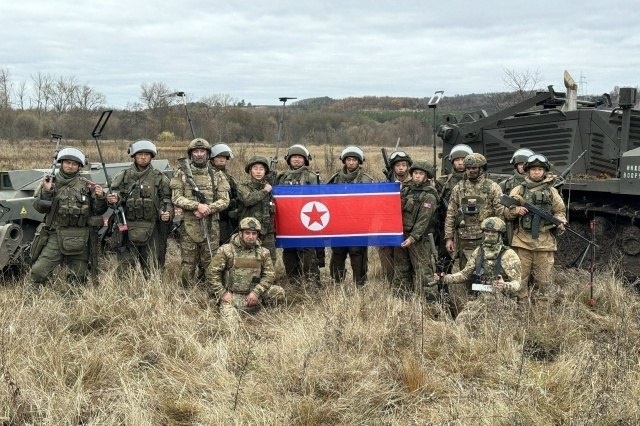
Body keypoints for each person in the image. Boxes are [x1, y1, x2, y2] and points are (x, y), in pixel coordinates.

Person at [30, 147, 107, 288]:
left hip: (80, 236)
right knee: (39, 271)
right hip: (55, 233)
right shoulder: (49, 182)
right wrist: (46, 191)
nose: (70, 166)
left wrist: (101, 197)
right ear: (61, 163)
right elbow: (39, 208)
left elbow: (98, 210)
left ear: (79, 166)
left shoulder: (86, 185)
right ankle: (33, 295)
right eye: (67, 163)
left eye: (74, 164)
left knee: (79, 276)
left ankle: (73, 297)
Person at [503, 154, 567, 302]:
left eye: (539, 169)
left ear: (544, 171)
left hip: (544, 243)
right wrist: (516, 210)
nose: (536, 172)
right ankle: (521, 308)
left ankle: (541, 311)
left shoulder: (552, 191)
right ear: (527, 171)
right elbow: (506, 212)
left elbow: (560, 211)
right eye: (533, 169)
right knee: (520, 280)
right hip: (522, 242)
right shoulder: (519, 190)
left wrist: (561, 222)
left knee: (544, 281)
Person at [106, 139, 172, 277]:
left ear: (151, 156)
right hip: (127, 226)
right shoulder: (123, 175)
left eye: (146, 154)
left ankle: (152, 288)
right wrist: (114, 198)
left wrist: (167, 212)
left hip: (152, 226)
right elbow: (113, 193)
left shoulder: (159, 177)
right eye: (140, 154)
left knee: (152, 266)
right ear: (134, 156)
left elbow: (166, 199)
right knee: (125, 267)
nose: (143, 157)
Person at [170, 138, 230, 287]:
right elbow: (176, 198)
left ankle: (210, 290)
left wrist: (207, 209)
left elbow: (225, 200)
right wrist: (196, 206)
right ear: (191, 154)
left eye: (202, 151)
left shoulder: (217, 175)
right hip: (189, 226)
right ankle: (186, 292)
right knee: (188, 263)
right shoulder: (181, 173)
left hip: (211, 226)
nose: (199, 154)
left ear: (207, 154)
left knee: (211, 262)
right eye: (195, 151)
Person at [206, 217, 285, 330]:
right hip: (232, 297)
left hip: (254, 295)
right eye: (247, 233)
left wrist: (256, 292)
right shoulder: (226, 250)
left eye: (254, 233)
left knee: (278, 292)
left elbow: (269, 275)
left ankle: (267, 314)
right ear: (240, 233)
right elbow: (212, 272)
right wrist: (222, 293)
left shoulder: (263, 252)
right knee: (233, 328)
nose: (251, 236)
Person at [436, 217, 521, 312]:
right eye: (487, 231)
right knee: (463, 318)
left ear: (500, 234)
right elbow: (464, 274)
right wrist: (444, 278)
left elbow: (517, 284)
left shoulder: (509, 255)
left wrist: (504, 285)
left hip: (503, 301)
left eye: (493, 232)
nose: (489, 234)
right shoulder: (479, 251)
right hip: (481, 299)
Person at [276, 144, 325, 288]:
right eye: (294, 157)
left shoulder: (311, 177)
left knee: (308, 252)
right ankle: (294, 283)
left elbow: (320, 199)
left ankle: (313, 283)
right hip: (287, 222)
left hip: (307, 221)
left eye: (300, 157)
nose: (297, 160)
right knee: (289, 253)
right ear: (289, 159)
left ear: (305, 160)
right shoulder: (281, 177)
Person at [444, 153, 504, 270]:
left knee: (487, 272)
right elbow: (451, 214)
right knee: (466, 272)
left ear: (481, 168)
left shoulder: (493, 187)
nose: (471, 171)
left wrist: (499, 236)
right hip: (465, 238)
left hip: (487, 237)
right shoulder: (459, 188)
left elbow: (500, 213)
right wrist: (449, 238)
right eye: (468, 168)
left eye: (474, 168)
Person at [327, 145, 374, 286]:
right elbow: (327, 199)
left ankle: (360, 284)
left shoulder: (366, 180)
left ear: (359, 161)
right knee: (338, 253)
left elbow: (373, 202)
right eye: (348, 160)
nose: (351, 162)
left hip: (358, 225)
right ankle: (336, 283)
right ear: (344, 161)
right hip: (338, 225)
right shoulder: (335, 179)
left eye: (354, 160)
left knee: (357, 253)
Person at [392, 160, 439, 299]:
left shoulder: (429, 196)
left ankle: (431, 302)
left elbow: (423, 221)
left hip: (419, 240)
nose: (417, 176)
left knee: (424, 272)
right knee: (401, 269)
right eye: (415, 173)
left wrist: (412, 238)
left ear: (426, 176)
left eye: (421, 174)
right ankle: (401, 299)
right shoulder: (406, 190)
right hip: (402, 236)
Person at [435, 144, 474, 274]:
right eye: (457, 160)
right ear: (452, 162)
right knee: (444, 260)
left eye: (463, 159)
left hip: (471, 227)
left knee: (471, 260)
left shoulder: (476, 181)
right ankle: (443, 284)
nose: (460, 163)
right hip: (448, 227)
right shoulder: (443, 182)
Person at [378, 150, 413, 283]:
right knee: (387, 260)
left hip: (407, 229)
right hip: (387, 229)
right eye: (398, 165)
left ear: (408, 166)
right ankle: (390, 286)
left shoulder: (415, 184)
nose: (401, 168)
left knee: (405, 264)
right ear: (393, 167)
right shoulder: (386, 185)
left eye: (404, 165)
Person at [237, 156, 277, 262]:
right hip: (249, 230)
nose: (258, 172)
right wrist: (264, 191)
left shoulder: (270, 186)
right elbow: (248, 200)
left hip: (267, 230)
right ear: (250, 171)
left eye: (261, 169)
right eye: (255, 168)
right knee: (249, 260)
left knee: (270, 259)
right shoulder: (243, 186)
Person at [499, 148, 535, 245]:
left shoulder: (539, 183)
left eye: (525, 163)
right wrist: (514, 210)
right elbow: (498, 207)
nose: (523, 166)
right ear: (516, 165)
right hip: (512, 224)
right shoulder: (506, 184)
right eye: (520, 164)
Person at [210, 143, 239, 246]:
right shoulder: (208, 175)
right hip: (212, 215)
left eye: (224, 157)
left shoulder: (229, 178)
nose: (222, 159)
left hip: (226, 217)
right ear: (212, 159)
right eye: (218, 157)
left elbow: (237, 193)